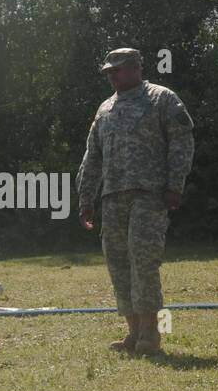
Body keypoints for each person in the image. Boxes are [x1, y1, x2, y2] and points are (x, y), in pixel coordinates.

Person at [77, 48, 195, 355]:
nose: (112, 76)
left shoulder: (161, 98)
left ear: (135, 68)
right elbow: (93, 156)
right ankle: (132, 332)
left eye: (117, 70)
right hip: (112, 197)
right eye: (108, 72)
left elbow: (182, 141)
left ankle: (150, 335)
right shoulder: (105, 109)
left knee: (143, 262)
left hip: (149, 194)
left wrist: (175, 184)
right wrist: (85, 197)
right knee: (118, 264)